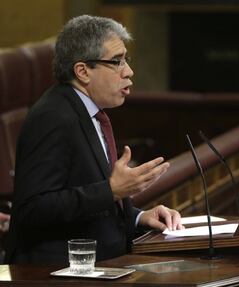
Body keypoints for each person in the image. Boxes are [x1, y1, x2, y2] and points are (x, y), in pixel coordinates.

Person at [5, 15, 184, 265]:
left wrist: (138, 217)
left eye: (126, 60)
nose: (129, 71)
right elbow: (32, 208)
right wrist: (111, 191)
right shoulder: (52, 117)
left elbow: (87, 193)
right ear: (83, 71)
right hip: (54, 273)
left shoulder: (89, 111)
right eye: (116, 62)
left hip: (100, 265)